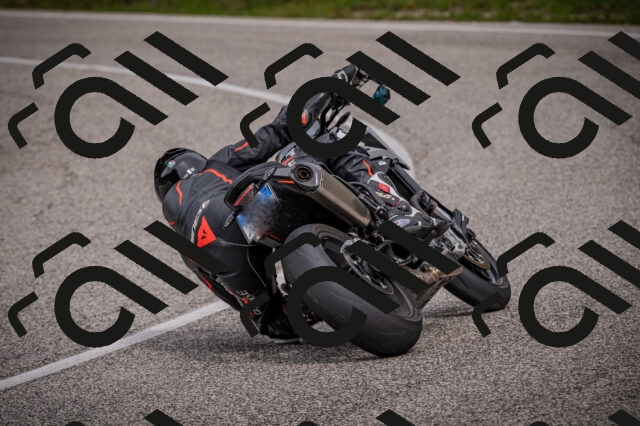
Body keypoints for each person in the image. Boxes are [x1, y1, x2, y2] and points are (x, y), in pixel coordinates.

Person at [153, 65, 447, 343]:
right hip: (249, 212)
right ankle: (397, 213)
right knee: (320, 145)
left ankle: (315, 300)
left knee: (275, 322)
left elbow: (231, 296)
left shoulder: (185, 248)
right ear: (196, 164)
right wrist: (337, 85)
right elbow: (277, 131)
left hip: (223, 254)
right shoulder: (214, 166)